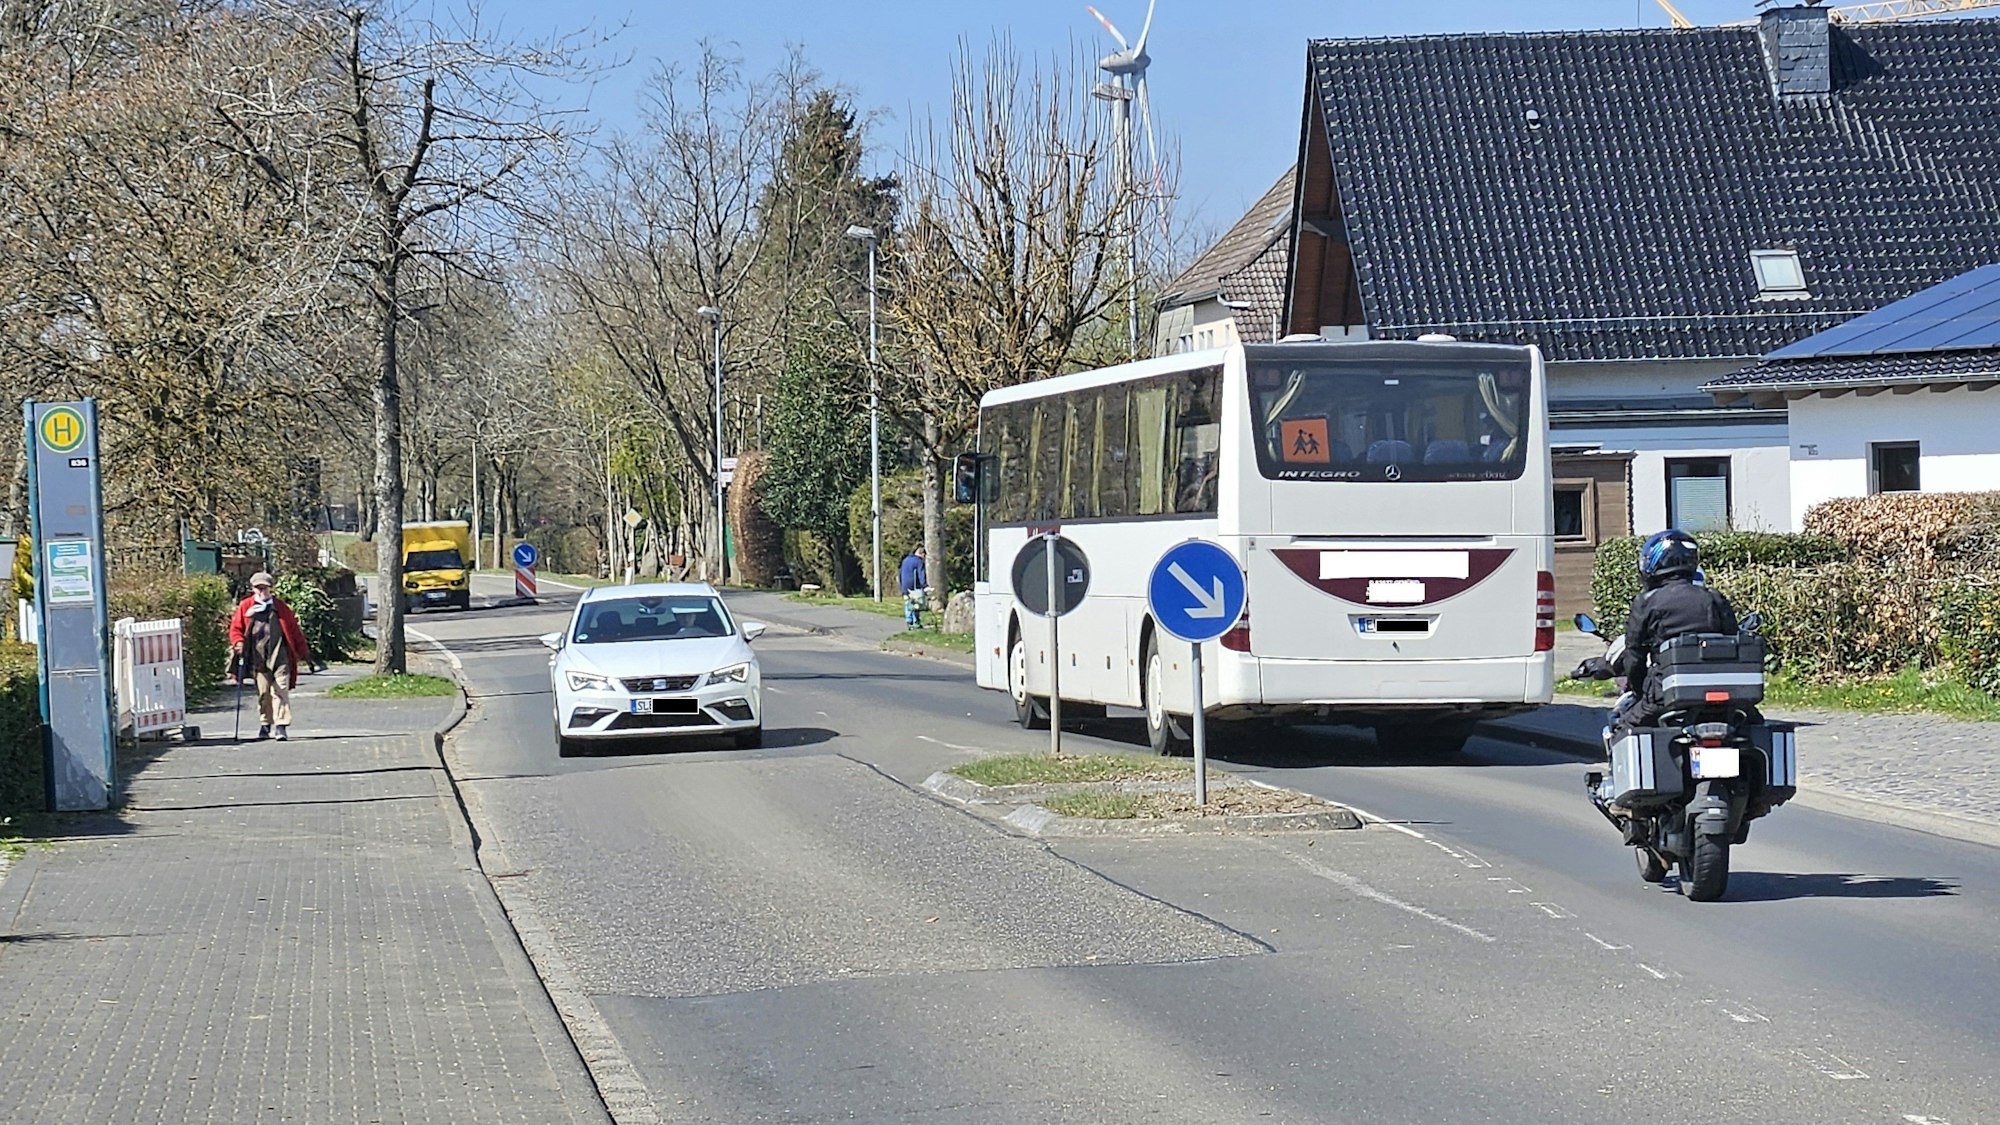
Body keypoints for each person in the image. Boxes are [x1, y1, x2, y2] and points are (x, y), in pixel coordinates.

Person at [1577, 529, 1741, 735]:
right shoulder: (1714, 597)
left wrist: (1640, 692)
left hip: (1665, 694)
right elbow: (1735, 642)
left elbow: (1634, 656)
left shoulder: (1646, 602)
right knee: (1752, 724)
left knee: (1621, 727)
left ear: (1652, 563)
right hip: (1722, 694)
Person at [228, 572, 312, 742]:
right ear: (252, 589)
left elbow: (294, 631)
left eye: (264, 588)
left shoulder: (280, 607)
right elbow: (235, 629)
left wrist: (304, 652)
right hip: (258, 658)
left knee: (280, 691)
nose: (261, 591)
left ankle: (281, 726)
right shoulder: (246, 607)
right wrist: (238, 643)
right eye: (258, 588)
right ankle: (265, 723)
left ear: (270, 588)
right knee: (264, 693)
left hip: (281, 657)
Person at [899, 547, 929, 629]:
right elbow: (921, 575)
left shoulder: (905, 560)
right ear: (922, 554)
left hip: (905, 585)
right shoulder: (919, 562)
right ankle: (916, 621)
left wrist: (901, 586)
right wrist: (925, 586)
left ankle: (909, 620)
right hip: (914, 585)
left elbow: (900, 573)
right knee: (917, 603)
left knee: (908, 602)